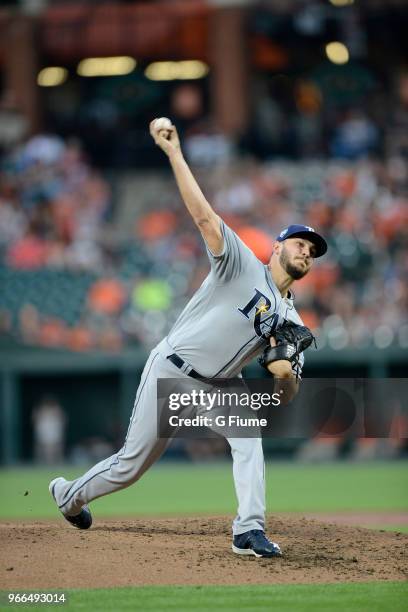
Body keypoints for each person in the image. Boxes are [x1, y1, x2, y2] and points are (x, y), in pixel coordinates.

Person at [49, 119, 327, 558]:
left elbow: (286, 390)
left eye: (312, 252)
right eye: (299, 244)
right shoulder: (241, 265)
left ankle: (247, 530)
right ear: (277, 247)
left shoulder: (293, 320)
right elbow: (203, 216)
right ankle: (69, 496)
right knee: (131, 466)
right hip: (173, 370)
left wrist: (286, 372)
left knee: (249, 436)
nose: (306, 252)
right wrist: (175, 153)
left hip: (220, 386)